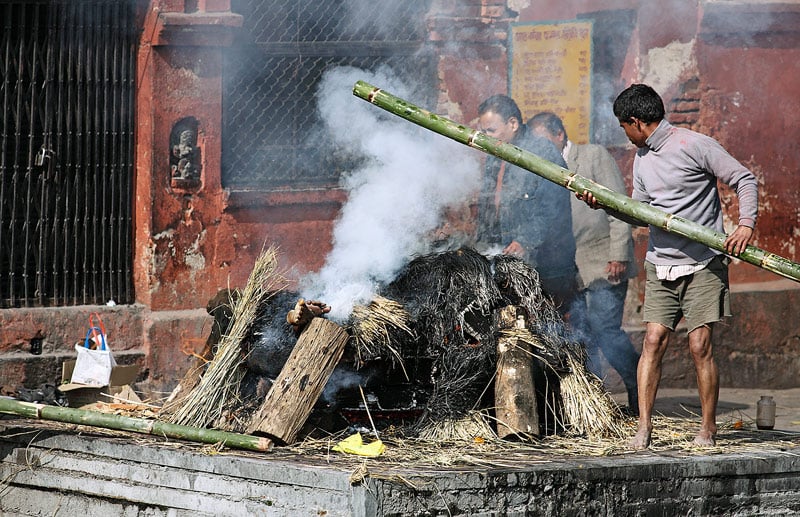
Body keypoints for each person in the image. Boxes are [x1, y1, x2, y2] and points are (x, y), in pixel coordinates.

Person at [580, 84, 758, 449]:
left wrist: (745, 224)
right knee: (652, 340)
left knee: (699, 344)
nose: (625, 135)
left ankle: (707, 428)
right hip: (661, 264)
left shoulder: (694, 145)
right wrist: (604, 204)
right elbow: (639, 214)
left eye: (624, 127)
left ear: (636, 121)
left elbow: (744, 179)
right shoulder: (642, 158)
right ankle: (643, 427)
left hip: (703, 262)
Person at [528, 111, 640, 416]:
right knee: (581, 335)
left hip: (603, 260)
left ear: (559, 135)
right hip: (570, 268)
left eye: (542, 140)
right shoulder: (541, 168)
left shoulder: (592, 156)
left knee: (606, 330)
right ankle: (595, 401)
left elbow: (618, 203)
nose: (539, 147)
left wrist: (619, 253)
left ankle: (638, 386)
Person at [475, 95, 581, 312]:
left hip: (546, 265)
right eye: (483, 131)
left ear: (513, 124)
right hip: (505, 258)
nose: (485, 137)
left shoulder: (542, 153)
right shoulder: (495, 154)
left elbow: (552, 207)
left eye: (491, 130)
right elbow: (489, 203)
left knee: (548, 323)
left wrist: (525, 240)